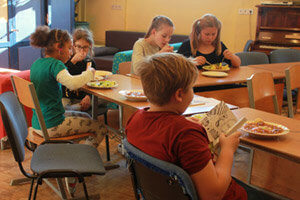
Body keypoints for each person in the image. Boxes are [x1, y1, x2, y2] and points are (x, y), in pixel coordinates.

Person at [126, 52, 271, 200]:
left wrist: (183, 124)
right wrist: (227, 150)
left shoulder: (134, 119)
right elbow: (213, 195)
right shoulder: (186, 134)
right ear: (179, 95)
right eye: (191, 87)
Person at [29, 26, 107, 196]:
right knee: (100, 128)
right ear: (60, 48)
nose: (72, 51)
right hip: (52, 125)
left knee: (85, 117)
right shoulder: (55, 64)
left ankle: (71, 161)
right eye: (70, 47)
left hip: (38, 123)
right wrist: (90, 73)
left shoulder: (37, 63)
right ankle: (75, 171)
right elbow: (72, 83)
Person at [62, 28, 96, 112]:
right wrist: (73, 61)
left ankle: (71, 110)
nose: (82, 50)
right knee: (61, 106)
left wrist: (88, 96)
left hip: (83, 97)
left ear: (90, 46)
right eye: (79, 47)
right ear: (73, 45)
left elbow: (93, 83)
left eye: (85, 47)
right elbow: (62, 79)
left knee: (100, 100)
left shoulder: (90, 62)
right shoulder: (66, 59)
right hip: (67, 96)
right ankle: (72, 110)